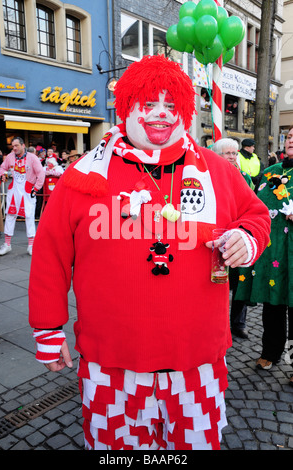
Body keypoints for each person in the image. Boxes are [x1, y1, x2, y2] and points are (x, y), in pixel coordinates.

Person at [29, 55, 270, 450]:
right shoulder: (85, 175)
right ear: (127, 107)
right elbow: (50, 257)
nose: (161, 114)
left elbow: (256, 216)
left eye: (172, 105)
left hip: (197, 361)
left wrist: (247, 237)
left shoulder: (217, 171)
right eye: (149, 104)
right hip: (112, 362)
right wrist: (47, 328)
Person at [235, 125, 293, 386]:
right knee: (273, 305)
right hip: (273, 253)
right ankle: (270, 353)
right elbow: (254, 208)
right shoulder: (270, 173)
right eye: (290, 136)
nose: (291, 140)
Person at [212, 138, 254, 339]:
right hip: (214, 238)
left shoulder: (244, 176)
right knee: (215, 283)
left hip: (238, 235)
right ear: (217, 155)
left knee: (240, 283)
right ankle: (213, 323)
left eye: (234, 153)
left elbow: (252, 204)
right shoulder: (208, 175)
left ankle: (238, 323)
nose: (232, 157)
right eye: (227, 153)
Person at [0, 137, 45, 256]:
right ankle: (7, 244)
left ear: (23, 145)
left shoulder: (32, 158)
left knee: (29, 216)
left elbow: (41, 173)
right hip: (14, 189)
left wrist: (36, 188)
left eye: (16, 146)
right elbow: (2, 167)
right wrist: (2, 174)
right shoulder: (10, 156)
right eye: (13, 146)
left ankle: (31, 245)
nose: (14, 148)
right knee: (10, 215)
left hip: (28, 190)